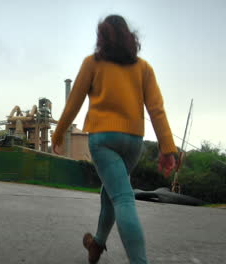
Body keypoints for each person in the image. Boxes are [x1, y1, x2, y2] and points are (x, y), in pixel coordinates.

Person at [52, 15, 177, 264]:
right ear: (130, 38)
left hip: (104, 139)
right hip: (133, 142)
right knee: (112, 191)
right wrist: (167, 148)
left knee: (122, 197)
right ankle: (97, 244)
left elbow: (73, 103)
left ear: (101, 39)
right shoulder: (143, 68)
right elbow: (157, 109)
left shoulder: (92, 64)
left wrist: (58, 133)